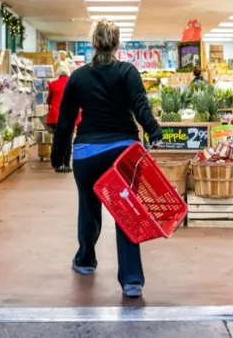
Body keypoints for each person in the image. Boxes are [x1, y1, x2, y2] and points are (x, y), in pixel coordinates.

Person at [51, 19, 163, 299]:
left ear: (92, 44)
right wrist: (154, 131)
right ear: (117, 44)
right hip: (123, 153)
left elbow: (65, 121)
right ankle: (132, 280)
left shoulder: (78, 76)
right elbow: (140, 106)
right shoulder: (128, 71)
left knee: (89, 208)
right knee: (126, 212)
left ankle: (86, 261)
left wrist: (58, 155)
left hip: (87, 152)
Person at [46, 61, 77, 173]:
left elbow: (49, 100)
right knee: (68, 140)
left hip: (55, 115)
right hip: (69, 114)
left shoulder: (53, 84)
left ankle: (58, 164)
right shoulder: (73, 82)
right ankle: (67, 164)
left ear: (58, 73)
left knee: (57, 139)